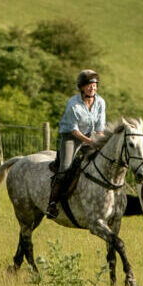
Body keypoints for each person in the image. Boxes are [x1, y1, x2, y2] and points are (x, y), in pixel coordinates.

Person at [45, 69, 107, 220]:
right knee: (65, 168)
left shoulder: (100, 102)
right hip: (71, 137)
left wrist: (100, 142)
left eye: (94, 85)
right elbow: (73, 130)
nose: (92, 87)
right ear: (81, 87)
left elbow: (100, 128)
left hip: (91, 136)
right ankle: (52, 204)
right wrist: (90, 141)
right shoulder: (73, 103)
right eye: (89, 85)